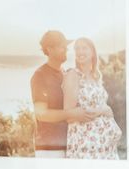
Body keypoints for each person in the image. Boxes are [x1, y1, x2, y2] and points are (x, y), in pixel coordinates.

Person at [29, 29, 103, 159]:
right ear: (50, 49)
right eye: (62, 46)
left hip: (70, 145)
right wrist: (72, 113)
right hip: (49, 149)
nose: (66, 49)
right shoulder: (40, 75)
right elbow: (41, 114)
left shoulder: (66, 74)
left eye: (66, 46)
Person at [64, 37, 123, 160]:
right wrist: (102, 110)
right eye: (77, 49)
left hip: (105, 146)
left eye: (84, 48)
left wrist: (106, 110)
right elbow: (68, 115)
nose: (80, 52)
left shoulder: (96, 76)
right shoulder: (73, 75)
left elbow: (99, 104)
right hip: (85, 144)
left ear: (92, 52)